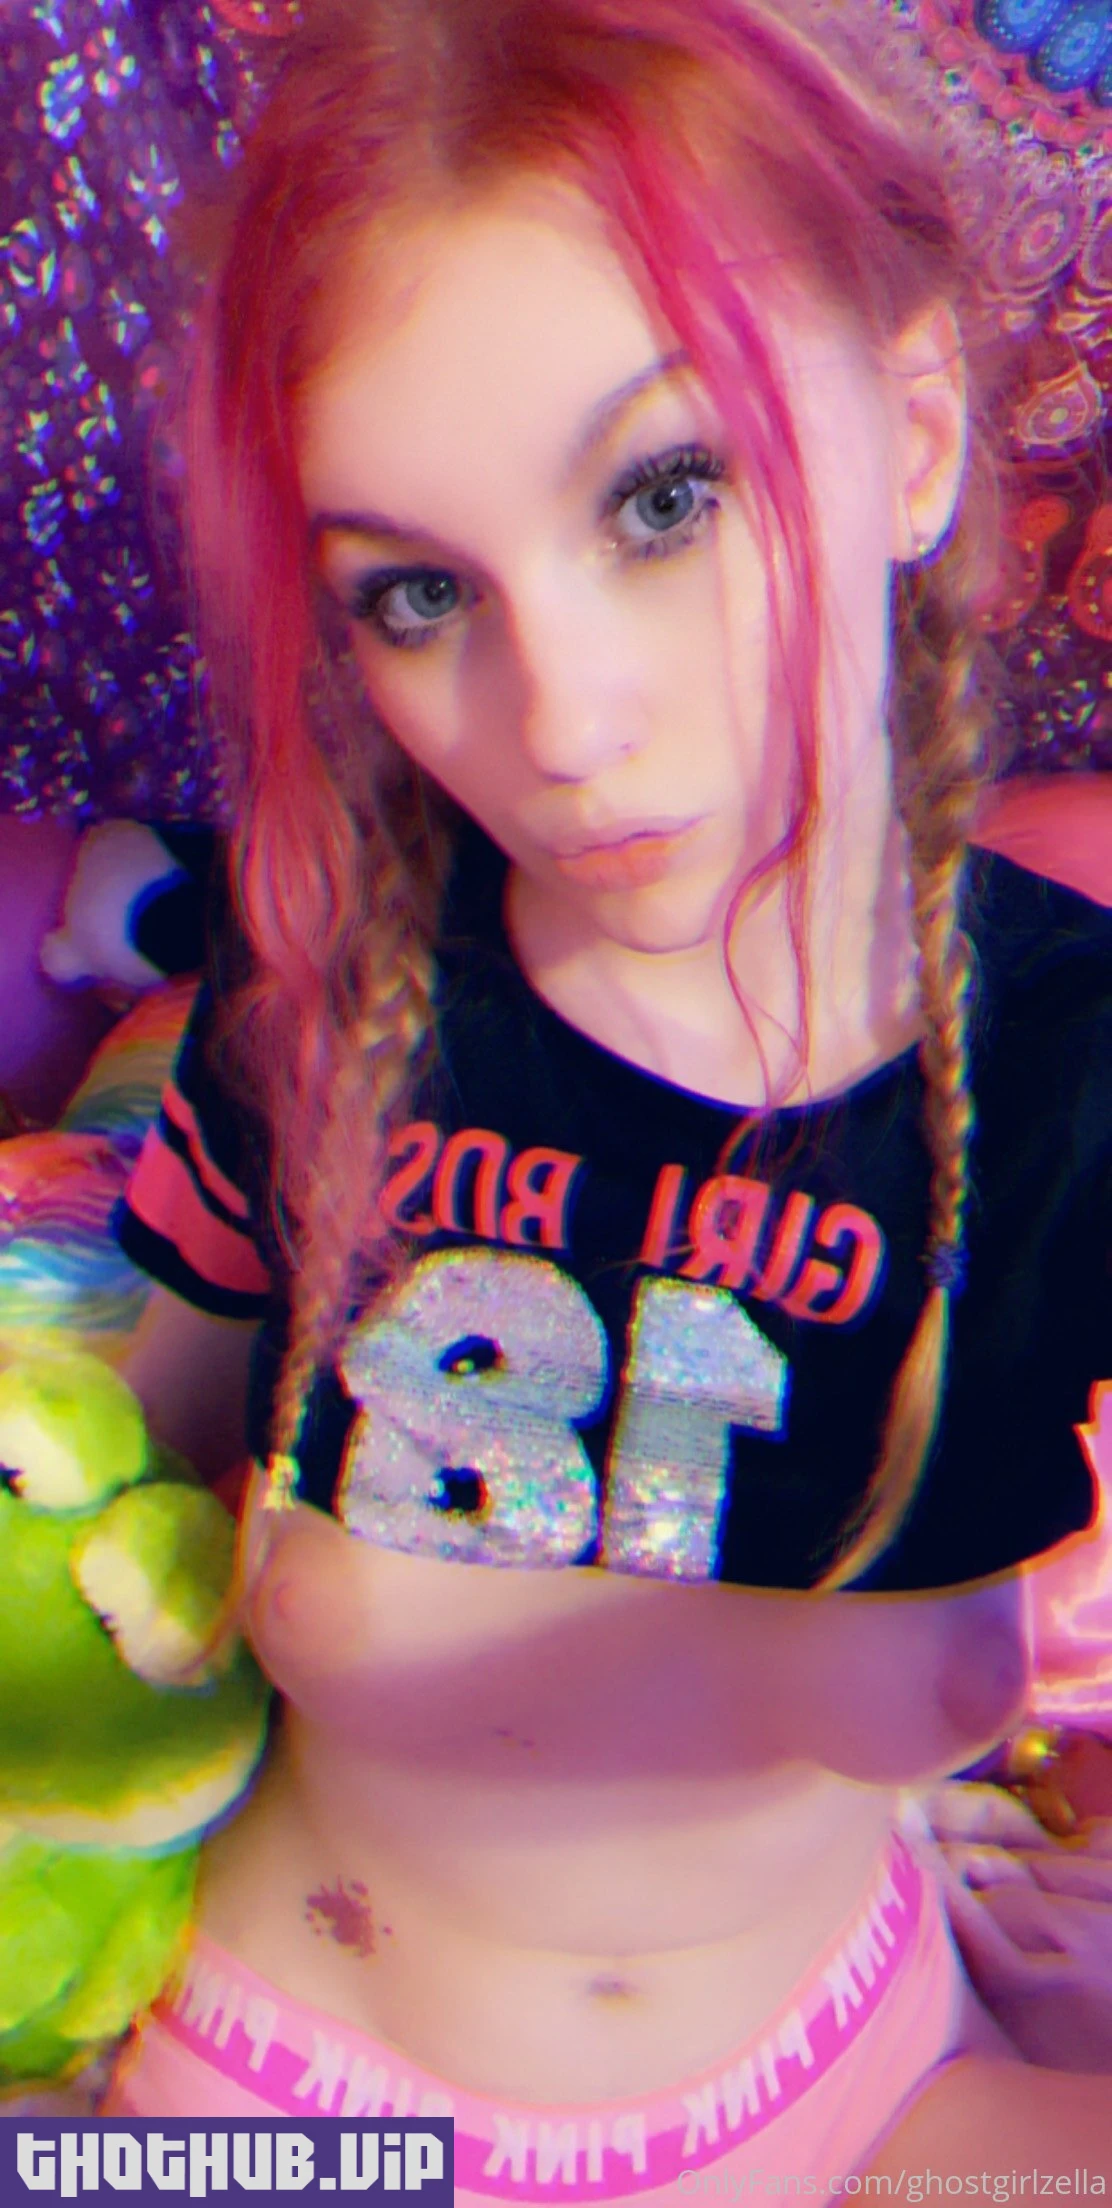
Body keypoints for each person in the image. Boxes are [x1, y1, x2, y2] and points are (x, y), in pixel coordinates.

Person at [104, 0, 1112, 2177]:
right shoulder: (336, 992)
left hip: (867, 2077)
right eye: (413, 594)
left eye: (665, 497)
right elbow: (109, 1530)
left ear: (914, 433)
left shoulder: (1076, 1062)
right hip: (303, 2111)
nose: (561, 723)